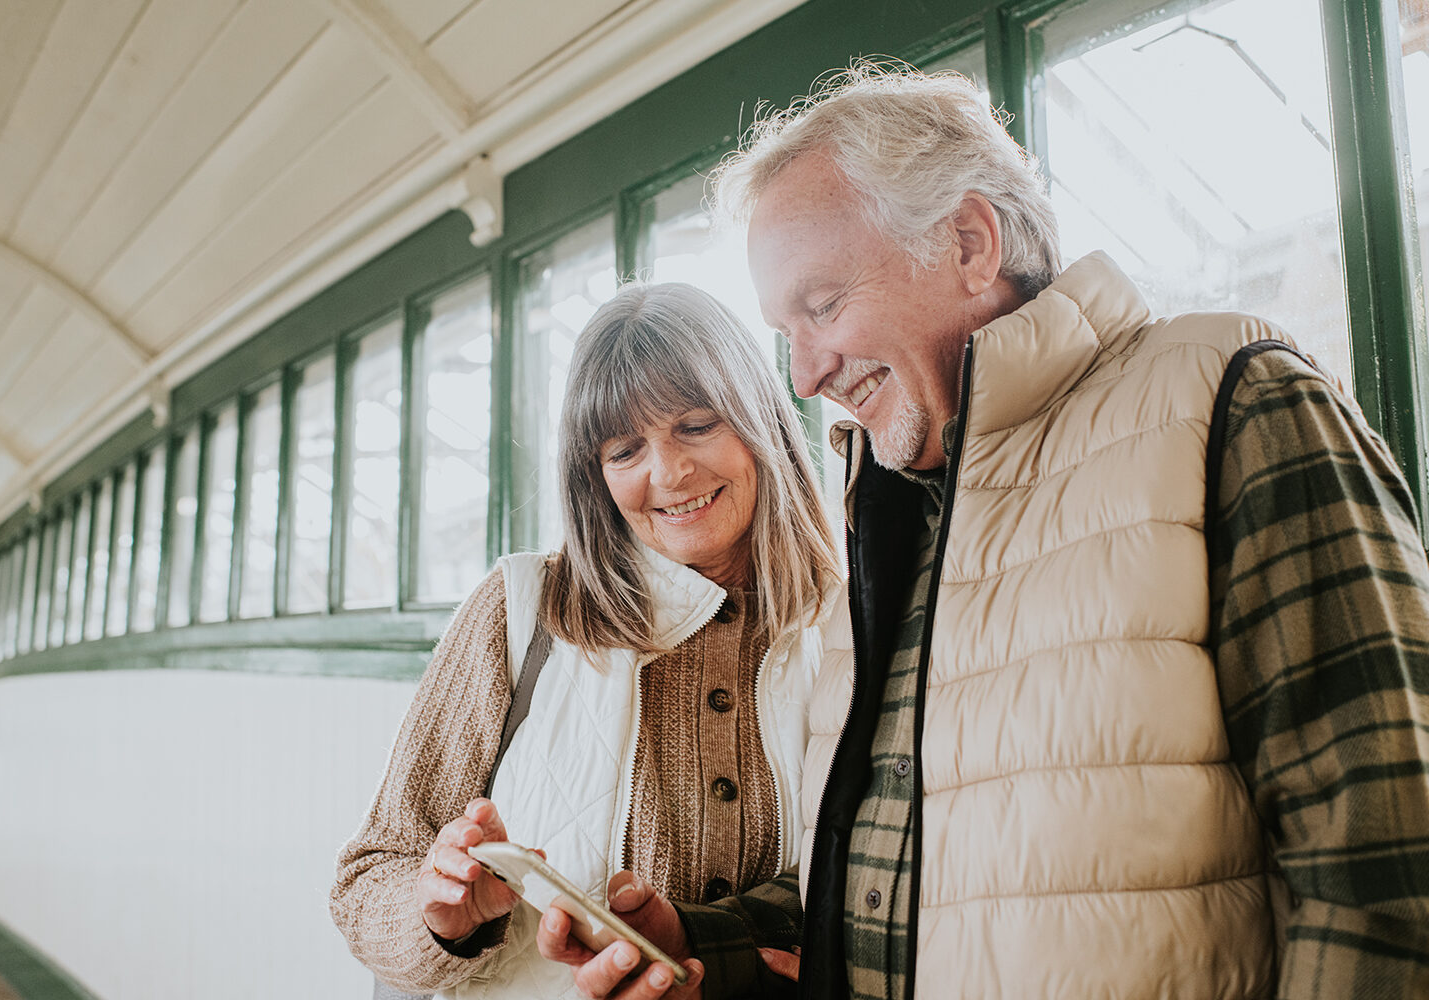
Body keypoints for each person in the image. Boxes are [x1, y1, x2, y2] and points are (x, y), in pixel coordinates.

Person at [548, 64, 1429, 999]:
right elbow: (891, 885)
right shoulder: (890, 507)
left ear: (970, 242)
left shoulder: (1229, 401)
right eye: (785, 331)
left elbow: (1388, 869)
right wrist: (695, 938)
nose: (804, 376)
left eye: (823, 306)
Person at [330, 281, 840, 999]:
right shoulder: (522, 609)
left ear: (760, 422)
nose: (668, 474)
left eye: (696, 425)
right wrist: (438, 912)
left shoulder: (845, 624)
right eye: (625, 449)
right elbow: (367, 877)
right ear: (593, 477)